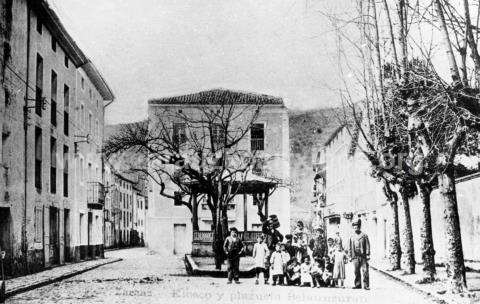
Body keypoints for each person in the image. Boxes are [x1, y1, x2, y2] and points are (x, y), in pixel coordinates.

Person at [348, 219, 370, 290]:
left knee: (365, 271)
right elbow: (349, 247)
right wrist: (350, 256)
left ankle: (366, 285)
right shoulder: (351, 236)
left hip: (363, 256)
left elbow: (367, 245)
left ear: (359, 227)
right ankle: (358, 284)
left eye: (357, 227)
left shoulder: (364, 235)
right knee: (356, 271)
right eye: (354, 227)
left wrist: (368, 254)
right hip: (355, 256)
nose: (356, 228)